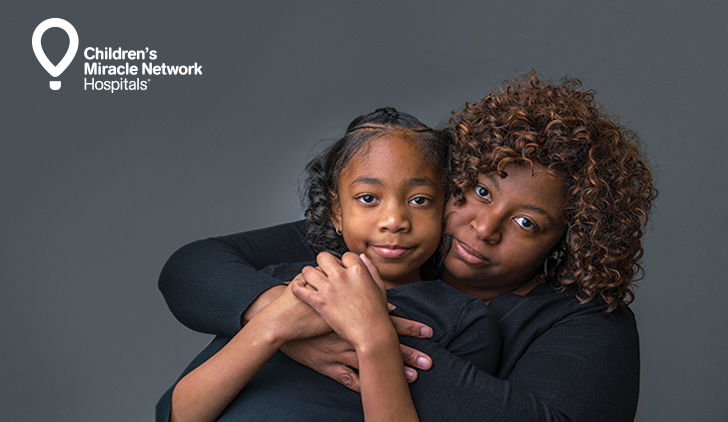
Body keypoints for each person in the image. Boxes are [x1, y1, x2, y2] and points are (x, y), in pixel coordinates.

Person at [159, 73, 657, 421]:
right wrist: (291, 317)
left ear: (568, 238)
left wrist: (367, 333)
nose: (484, 228)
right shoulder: (371, 248)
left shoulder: (582, 321)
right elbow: (194, 268)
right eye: (480, 191)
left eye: (527, 222)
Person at [157, 108, 501, 422]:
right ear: (337, 211)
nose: (394, 220)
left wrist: (373, 337)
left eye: (419, 200)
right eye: (368, 198)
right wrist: (275, 325)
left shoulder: (462, 321)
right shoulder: (290, 282)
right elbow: (178, 415)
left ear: (445, 208)